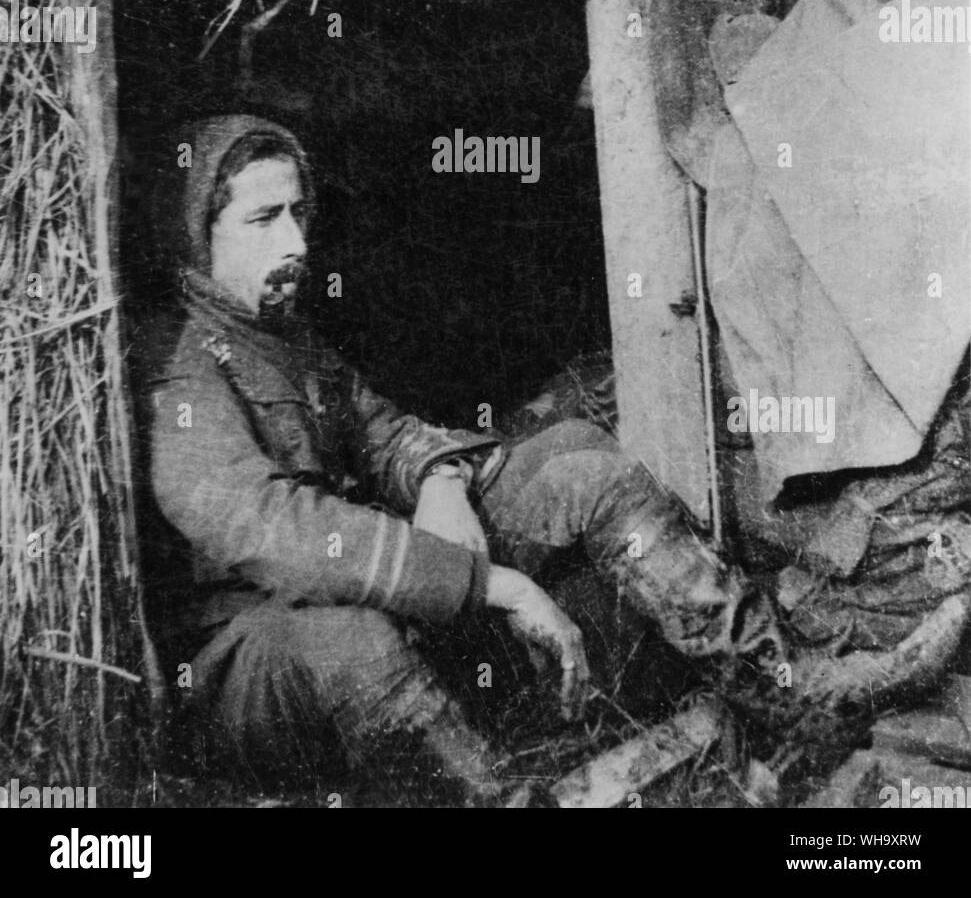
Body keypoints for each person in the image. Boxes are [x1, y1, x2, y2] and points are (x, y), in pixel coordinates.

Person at [140, 114, 938, 806]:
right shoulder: (178, 365)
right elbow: (270, 530)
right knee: (345, 641)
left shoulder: (282, 335)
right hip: (250, 667)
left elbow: (382, 430)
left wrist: (439, 480)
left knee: (574, 464)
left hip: (368, 596)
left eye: (300, 213)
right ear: (193, 233)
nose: (298, 242)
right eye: (264, 220)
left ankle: (788, 691)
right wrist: (489, 583)